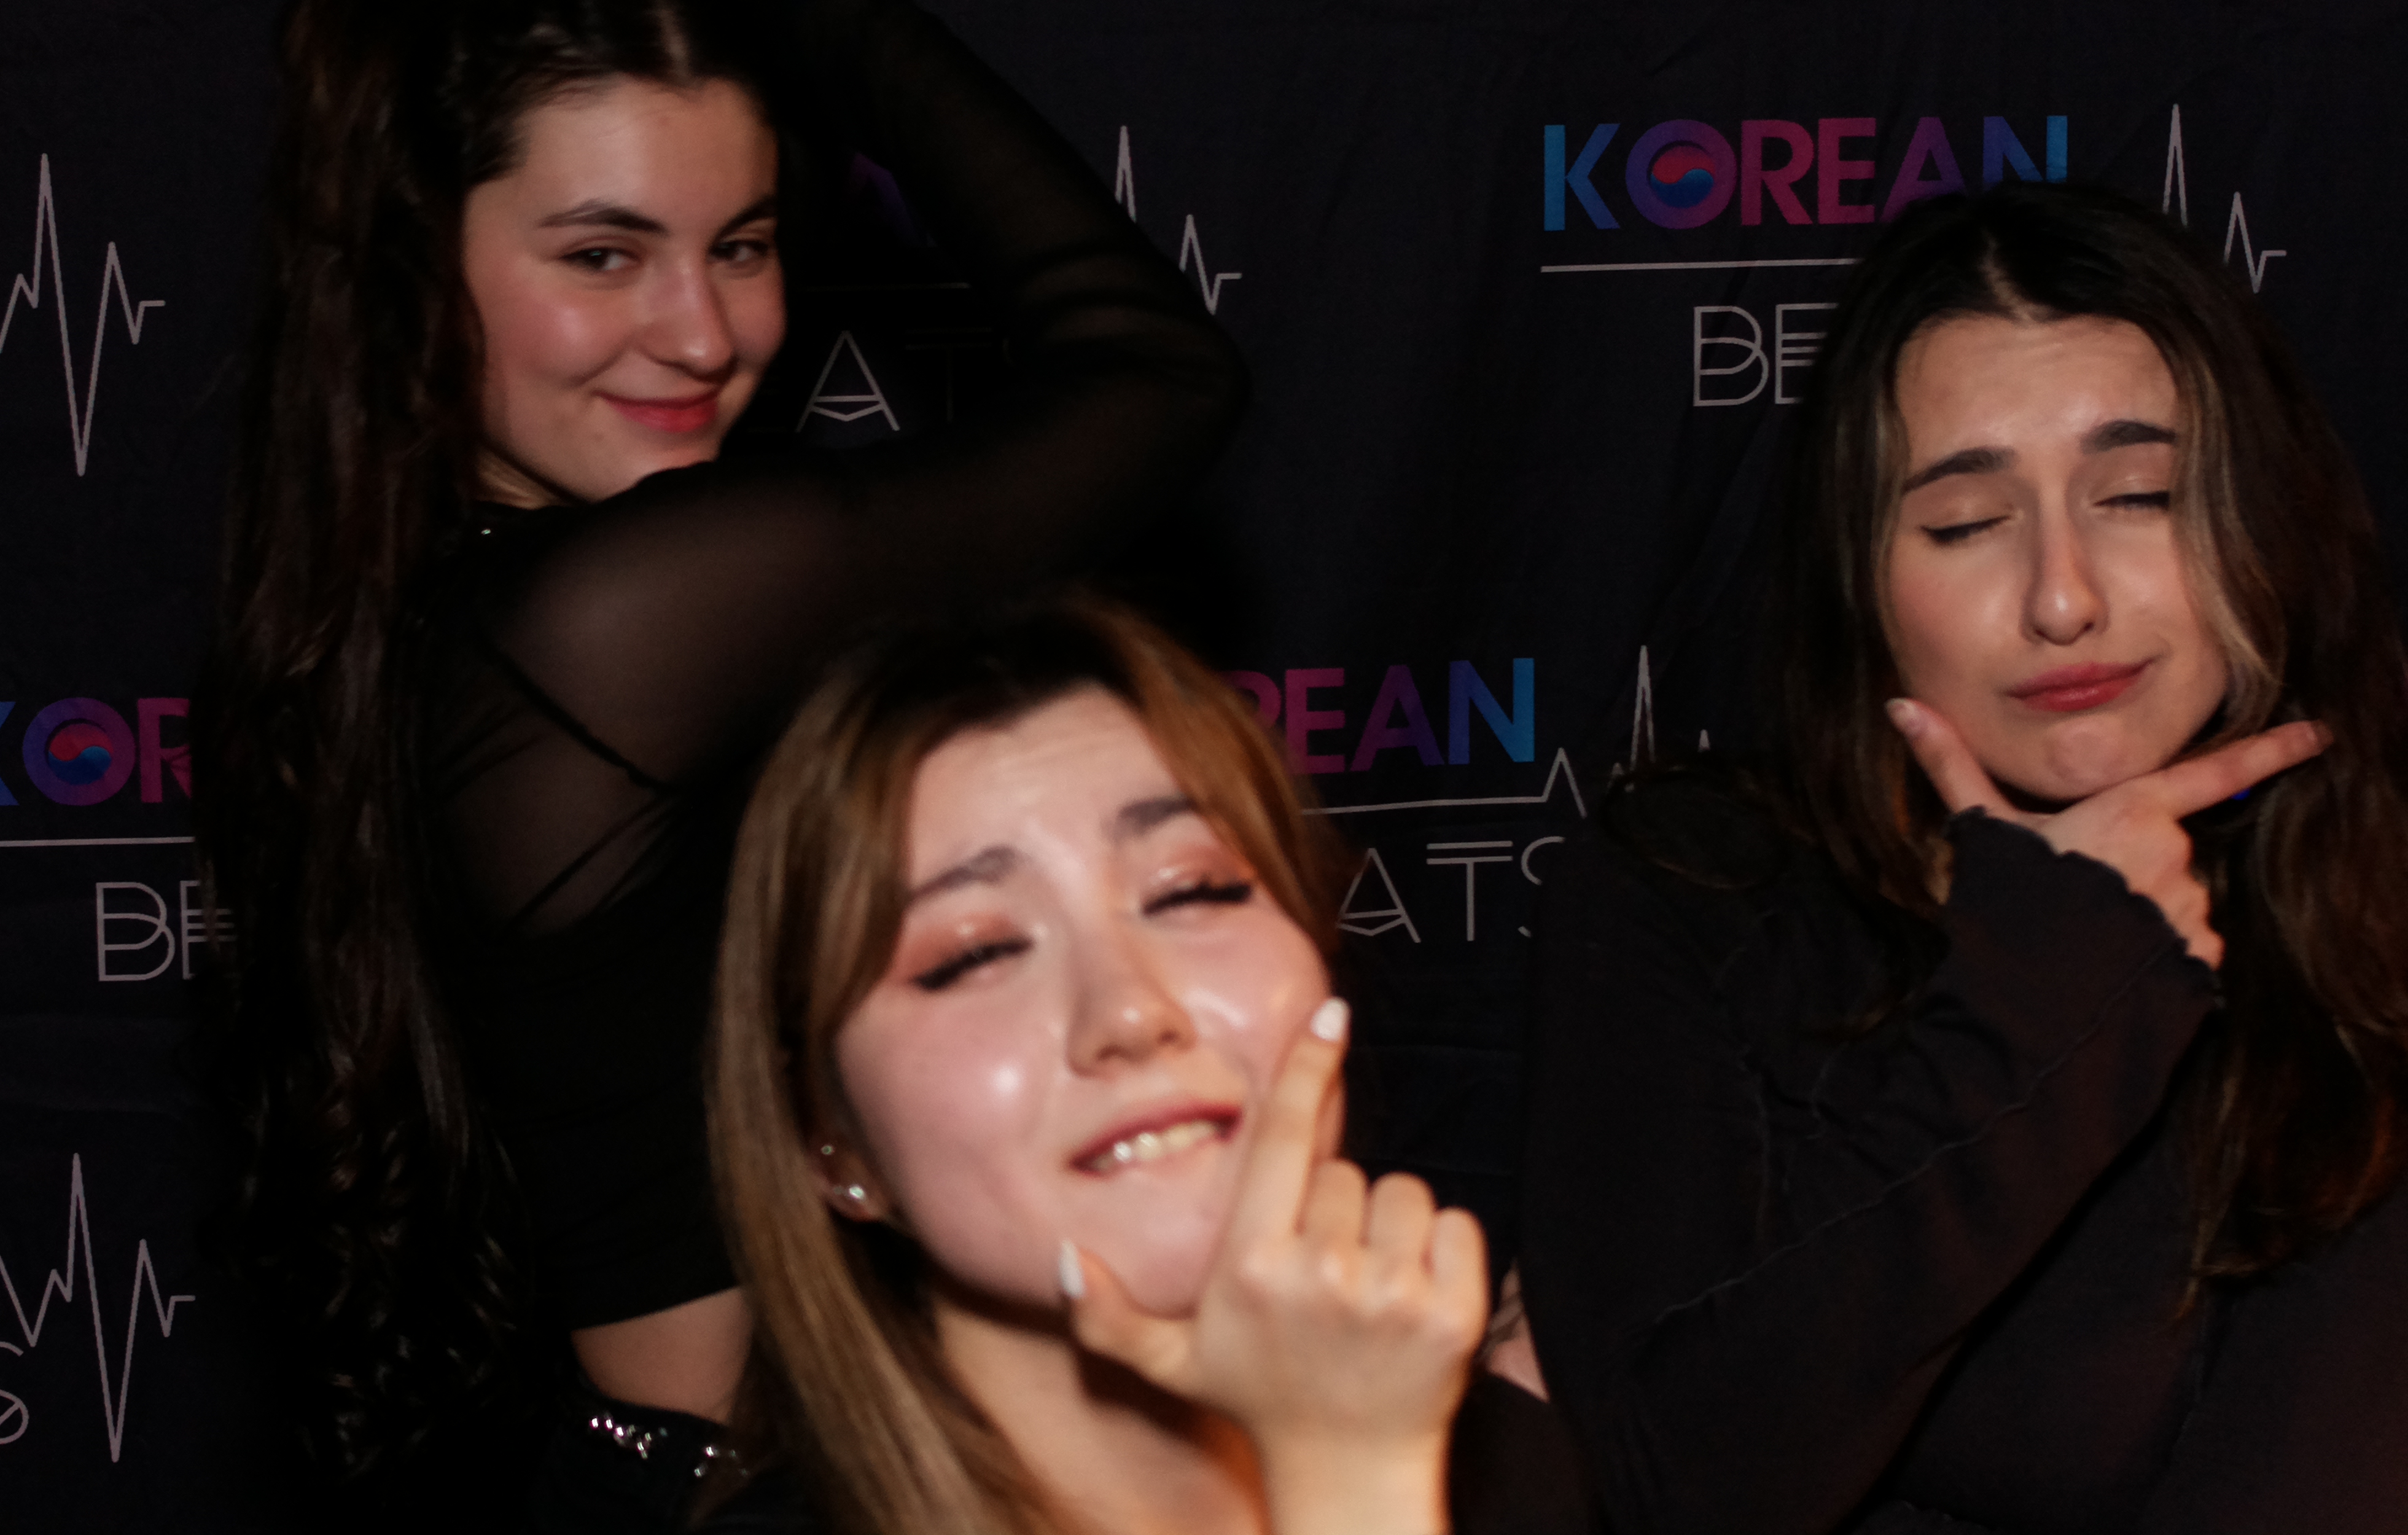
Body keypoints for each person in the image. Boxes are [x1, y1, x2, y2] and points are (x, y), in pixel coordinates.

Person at [192, 0, 1247, 1525]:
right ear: (410, 265)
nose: (699, 334)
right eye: (603, 253)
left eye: (742, 245)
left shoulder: (364, 624)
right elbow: (1156, 374)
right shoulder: (610, 619)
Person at [1516, 181, 2408, 1534]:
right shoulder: (1701, 888)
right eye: (1966, 522)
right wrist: (2040, 999)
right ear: (1862, 580)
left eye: (2141, 495)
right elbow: (1679, 1488)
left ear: (2261, 522)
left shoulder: (2372, 904)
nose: (2063, 596)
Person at [704, 593, 1581, 1535]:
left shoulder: (1518, 1481)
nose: (1128, 1010)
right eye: (975, 953)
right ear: (830, 1138)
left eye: (1189, 890)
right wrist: (1352, 1481)